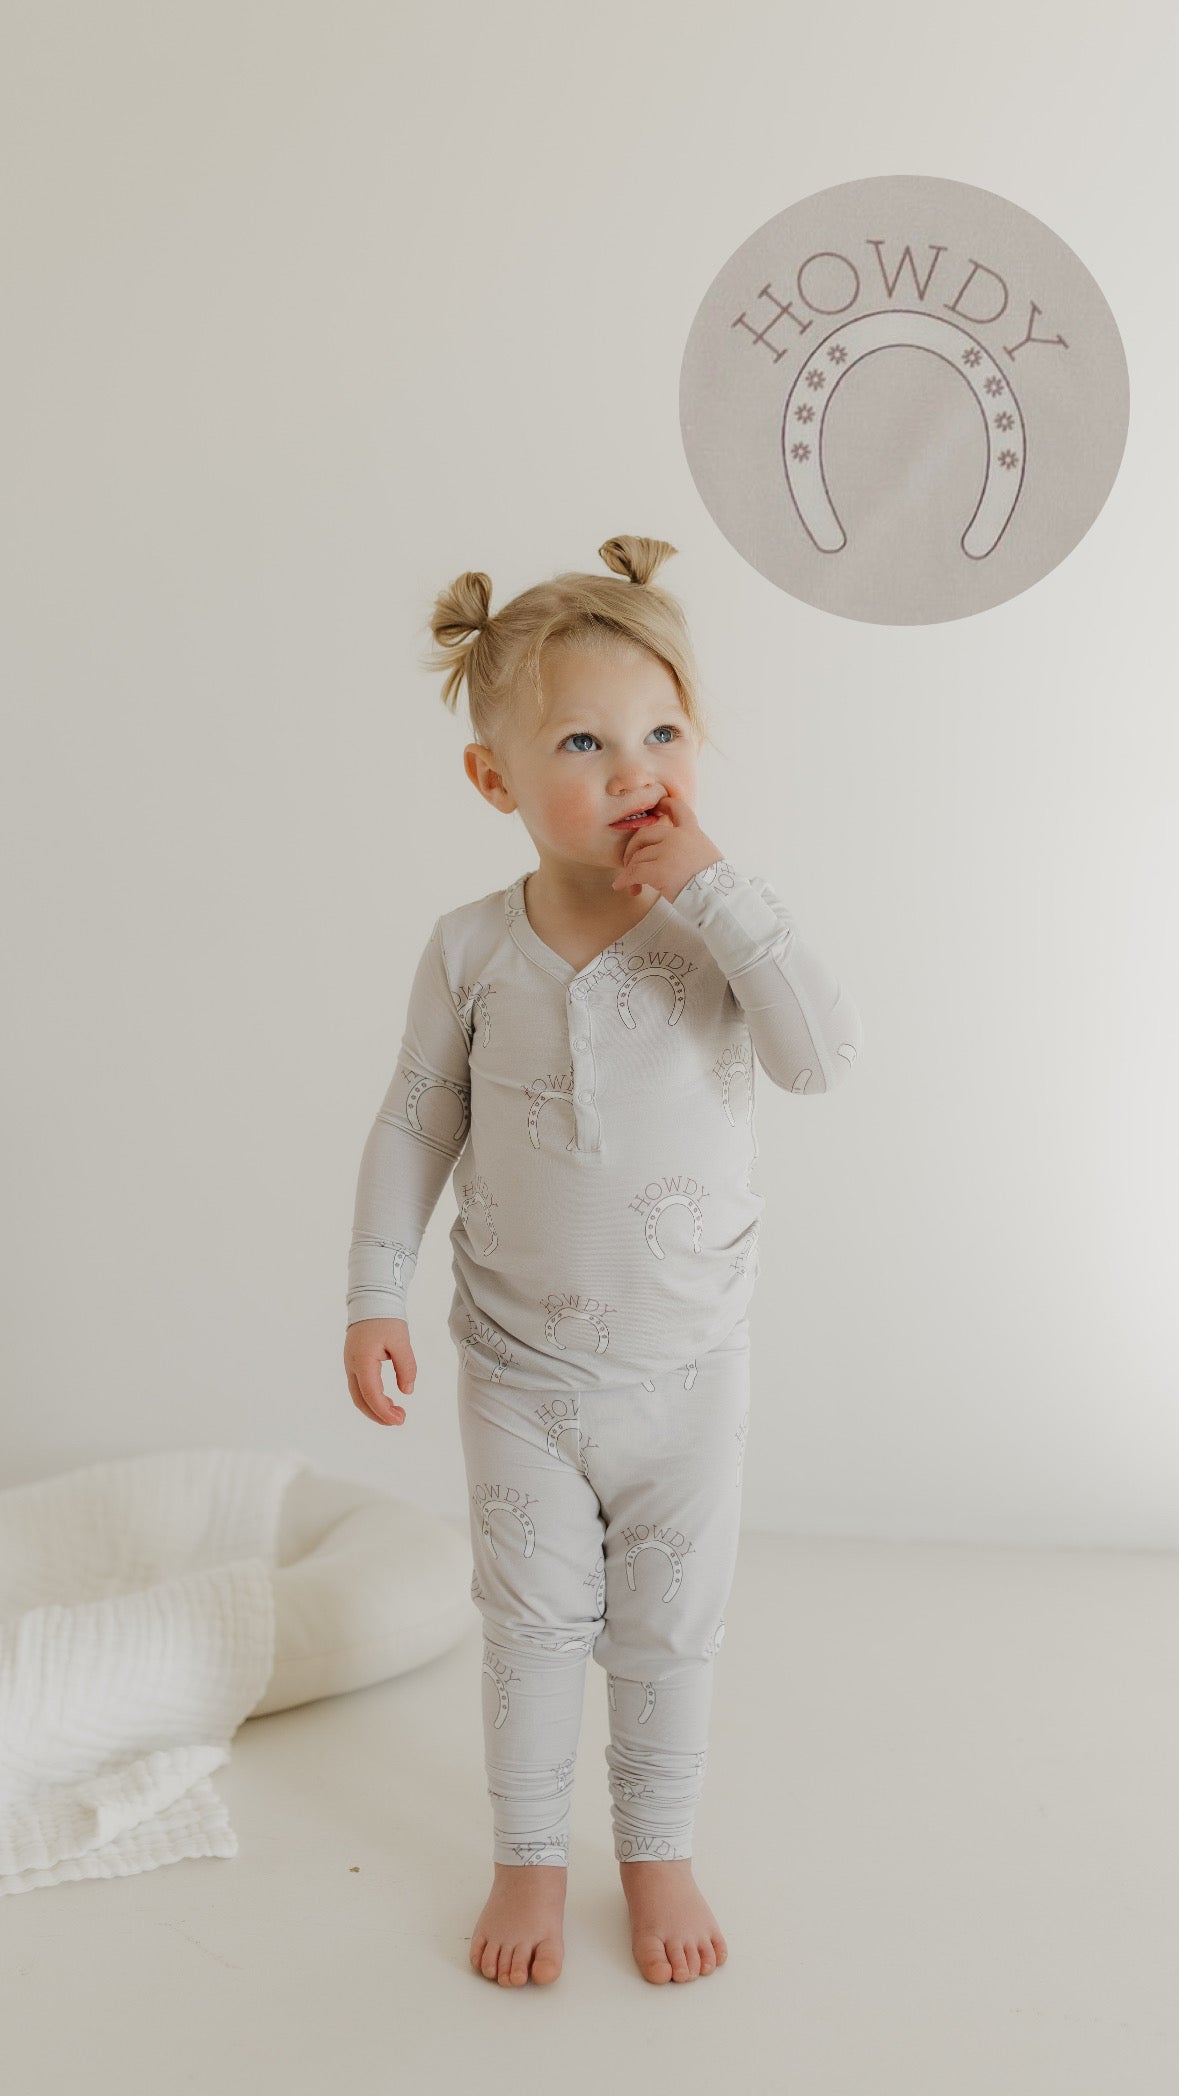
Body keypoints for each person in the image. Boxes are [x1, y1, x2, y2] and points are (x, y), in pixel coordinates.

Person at [343, 534, 863, 1987]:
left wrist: (726, 893)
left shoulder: (716, 937)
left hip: (689, 1371)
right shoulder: (468, 950)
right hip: (516, 1373)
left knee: (669, 1627)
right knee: (527, 1622)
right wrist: (373, 1290)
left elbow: (820, 1059)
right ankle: (525, 1859)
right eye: (583, 738)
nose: (634, 765)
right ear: (495, 780)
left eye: (662, 730)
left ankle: (657, 1851)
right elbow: (411, 1123)